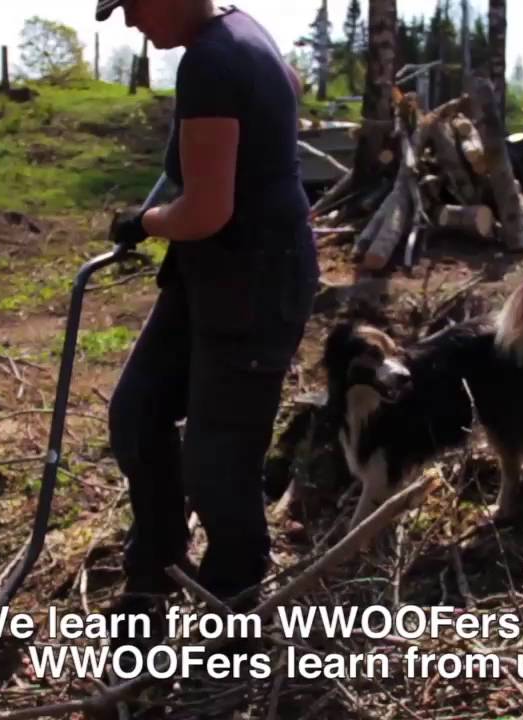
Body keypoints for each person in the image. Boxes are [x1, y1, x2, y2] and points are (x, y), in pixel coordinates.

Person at [96, 0, 320, 631]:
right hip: (210, 276)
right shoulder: (239, 32)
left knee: (219, 457)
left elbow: (206, 212)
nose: (131, 23)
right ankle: (156, 571)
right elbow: (285, 94)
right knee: (138, 413)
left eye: (133, 7)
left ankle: (233, 601)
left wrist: (143, 221)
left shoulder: (214, 59)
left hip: (255, 282)